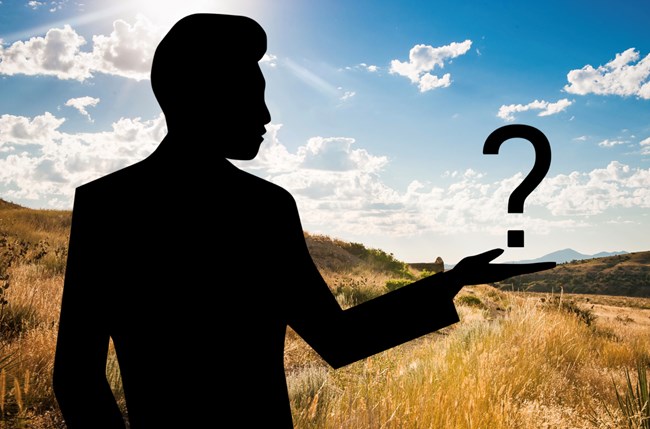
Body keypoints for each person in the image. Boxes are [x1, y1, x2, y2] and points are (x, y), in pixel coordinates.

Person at [53, 13, 555, 428]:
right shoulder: (263, 207)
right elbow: (339, 339)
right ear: (202, 95)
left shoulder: (105, 203)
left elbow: (76, 380)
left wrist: (453, 281)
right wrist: (450, 284)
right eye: (252, 95)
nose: (267, 115)